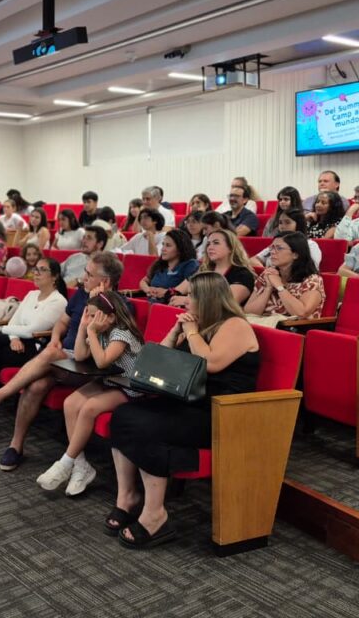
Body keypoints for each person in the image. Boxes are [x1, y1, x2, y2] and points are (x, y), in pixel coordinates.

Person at [106, 272, 260, 547]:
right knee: (123, 416)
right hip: (188, 403)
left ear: (208, 298)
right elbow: (157, 360)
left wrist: (190, 332)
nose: (186, 300)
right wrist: (176, 331)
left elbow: (210, 363)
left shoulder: (235, 325)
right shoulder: (199, 325)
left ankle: (155, 515)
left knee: (146, 427)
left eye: (191, 296)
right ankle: (126, 497)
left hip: (220, 412)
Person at [0, 252, 124, 472]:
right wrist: (56, 338)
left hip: (88, 368)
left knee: (49, 354)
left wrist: (99, 304)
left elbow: (100, 349)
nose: (83, 278)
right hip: (63, 359)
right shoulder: (81, 294)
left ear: (105, 281)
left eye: (89, 274)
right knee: (36, 385)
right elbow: (62, 322)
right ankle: (15, 446)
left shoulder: (118, 307)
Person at [35, 291, 143, 496]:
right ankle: (80, 465)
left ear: (110, 317)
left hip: (128, 387)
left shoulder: (121, 334)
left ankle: (65, 462)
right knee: (70, 403)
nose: (91, 320)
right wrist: (83, 328)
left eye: (94, 315)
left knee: (89, 408)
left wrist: (91, 331)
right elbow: (80, 355)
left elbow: (102, 361)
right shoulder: (99, 330)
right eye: (89, 315)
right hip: (109, 381)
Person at [0, 258, 69, 437]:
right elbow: (14, 322)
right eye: (35, 269)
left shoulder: (58, 301)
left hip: (36, 350)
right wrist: (13, 337)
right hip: (16, 343)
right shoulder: (31, 295)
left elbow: (33, 330)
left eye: (42, 270)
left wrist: (4, 330)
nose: (36, 273)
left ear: (54, 277)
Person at [244, 232, 325, 320]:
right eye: (272, 248)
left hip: (292, 327)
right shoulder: (269, 274)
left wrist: (279, 286)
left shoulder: (312, 280)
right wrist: (268, 288)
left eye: (279, 248)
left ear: (295, 254)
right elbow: (249, 312)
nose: (272, 252)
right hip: (264, 324)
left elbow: (302, 313)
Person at [172, 228, 256, 307]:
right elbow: (176, 291)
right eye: (208, 244)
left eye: (216, 243)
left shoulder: (243, 275)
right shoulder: (203, 269)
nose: (210, 247)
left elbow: (226, 304)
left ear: (231, 248)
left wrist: (187, 300)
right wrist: (171, 296)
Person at [138, 229, 199, 304]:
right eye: (163, 244)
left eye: (168, 245)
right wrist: (148, 290)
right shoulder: (159, 264)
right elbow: (143, 281)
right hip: (151, 302)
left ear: (180, 249)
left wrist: (165, 292)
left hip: (170, 305)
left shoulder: (190, 264)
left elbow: (188, 285)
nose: (163, 249)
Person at [249, 208, 322, 269]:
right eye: (280, 223)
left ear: (299, 224)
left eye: (287, 222)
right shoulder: (276, 244)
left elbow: (311, 268)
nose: (282, 226)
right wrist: (267, 271)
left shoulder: (310, 245)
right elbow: (253, 260)